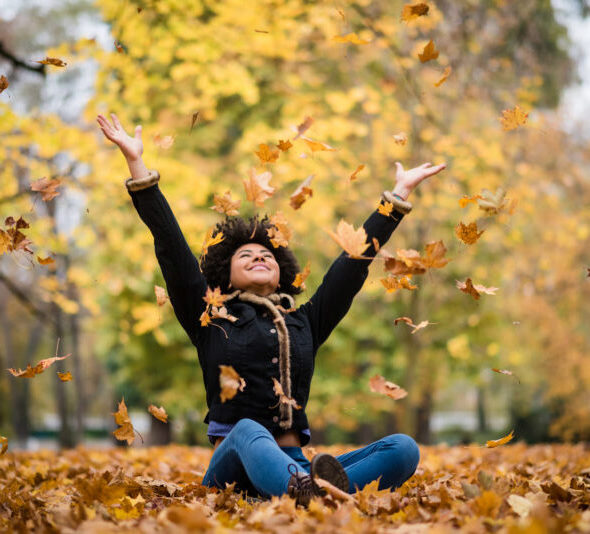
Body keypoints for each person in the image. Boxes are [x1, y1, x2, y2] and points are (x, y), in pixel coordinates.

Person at [97, 113, 446, 506]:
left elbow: (350, 267)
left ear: (281, 270)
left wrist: (394, 202)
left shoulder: (305, 323)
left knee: (403, 448)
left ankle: (311, 493)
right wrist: (137, 166)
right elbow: (172, 248)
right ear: (224, 275)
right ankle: (313, 493)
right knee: (246, 429)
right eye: (245, 254)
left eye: (266, 254)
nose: (258, 256)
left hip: (297, 464)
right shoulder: (210, 318)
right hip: (234, 470)